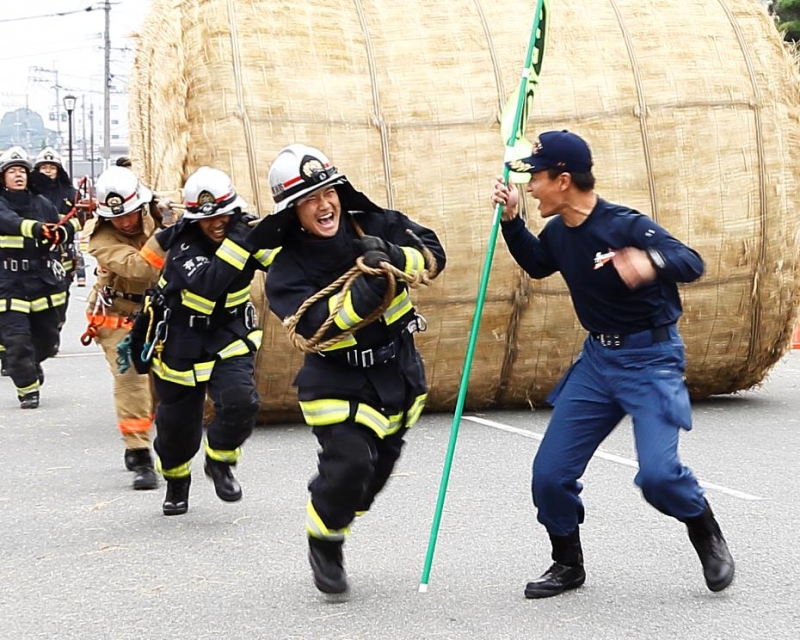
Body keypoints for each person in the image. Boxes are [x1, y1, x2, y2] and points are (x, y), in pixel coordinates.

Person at [490, 130, 734, 598]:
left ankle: (704, 529)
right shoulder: (560, 231)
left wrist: (648, 260)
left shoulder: (625, 225)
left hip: (652, 361)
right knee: (550, 476)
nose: (530, 187)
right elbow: (540, 265)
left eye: (535, 179)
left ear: (563, 180)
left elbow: (691, 261)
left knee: (659, 478)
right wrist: (511, 222)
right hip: (598, 362)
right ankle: (567, 564)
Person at [259, 143, 446, 595]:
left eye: (328, 192)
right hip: (335, 379)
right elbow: (312, 327)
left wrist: (398, 258)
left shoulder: (376, 221)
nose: (324, 205)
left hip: (398, 371)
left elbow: (434, 254)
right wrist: (362, 294)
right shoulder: (286, 268)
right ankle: (324, 540)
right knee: (349, 464)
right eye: (309, 199)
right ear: (292, 211)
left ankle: (337, 502)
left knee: (371, 476)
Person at [140, 167, 269, 516]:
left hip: (229, 334)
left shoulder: (247, 232)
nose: (216, 224)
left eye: (223, 216)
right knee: (177, 428)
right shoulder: (182, 244)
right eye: (206, 219)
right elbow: (209, 283)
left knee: (242, 402)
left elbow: (283, 263)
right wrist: (241, 241)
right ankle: (177, 482)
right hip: (181, 340)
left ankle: (221, 461)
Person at [83, 165, 163, 490]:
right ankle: (140, 455)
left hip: (158, 313)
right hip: (118, 317)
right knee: (131, 378)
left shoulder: (154, 215)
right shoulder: (100, 239)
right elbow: (141, 269)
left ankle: (149, 441)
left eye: (130, 213)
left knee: (162, 385)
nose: (125, 222)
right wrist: (170, 233)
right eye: (117, 218)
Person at [0, 146, 79, 409]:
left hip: (41, 279)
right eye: (12, 171)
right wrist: (37, 229)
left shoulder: (41, 203)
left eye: (22, 170)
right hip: (7, 282)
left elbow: (68, 223)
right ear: (3, 178)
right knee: (16, 339)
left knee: (47, 340)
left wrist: (62, 232)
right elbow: (9, 221)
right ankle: (27, 390)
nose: (18, 175)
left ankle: (33, 363)